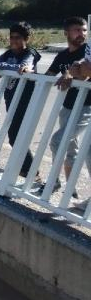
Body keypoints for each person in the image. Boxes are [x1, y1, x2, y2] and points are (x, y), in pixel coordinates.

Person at [0, 22, 41, 179]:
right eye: (11, 37)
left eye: (18, 38)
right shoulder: (9, 53)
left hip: (25, 101)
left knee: (16, 135)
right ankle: (27, 170)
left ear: (26, 38)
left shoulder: (30, 53)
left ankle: (31, 171)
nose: (13, 41)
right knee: (15, 136)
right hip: (11, 98)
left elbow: (22, 66)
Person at [47, 17, 90, 201]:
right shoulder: (62, 55)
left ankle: (53, 182)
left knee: (57, 141)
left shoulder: (87, 50)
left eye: (84, 30)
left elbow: (82, 65)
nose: (82, 34)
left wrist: (68, 73)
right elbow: (48, 75)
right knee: (72, 151)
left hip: (86, 106)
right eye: (77, 30)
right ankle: (70, 190)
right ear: (66, 33)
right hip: (67, 108)